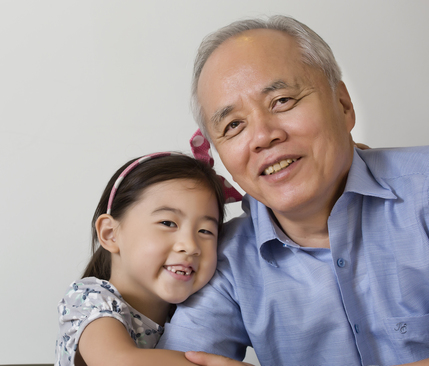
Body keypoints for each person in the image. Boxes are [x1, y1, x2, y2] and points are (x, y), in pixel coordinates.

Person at [157, 15, 429, 366]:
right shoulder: (222, 258)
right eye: (234, 125)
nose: (262, 136)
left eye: (282, 101)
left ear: (344, 105)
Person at [55, 152, 251, 366]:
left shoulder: (195, 313)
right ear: (111, 233)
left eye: (205, 231)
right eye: (168, 223)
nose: (191, 246)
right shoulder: (90, 299)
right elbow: (118, 361)